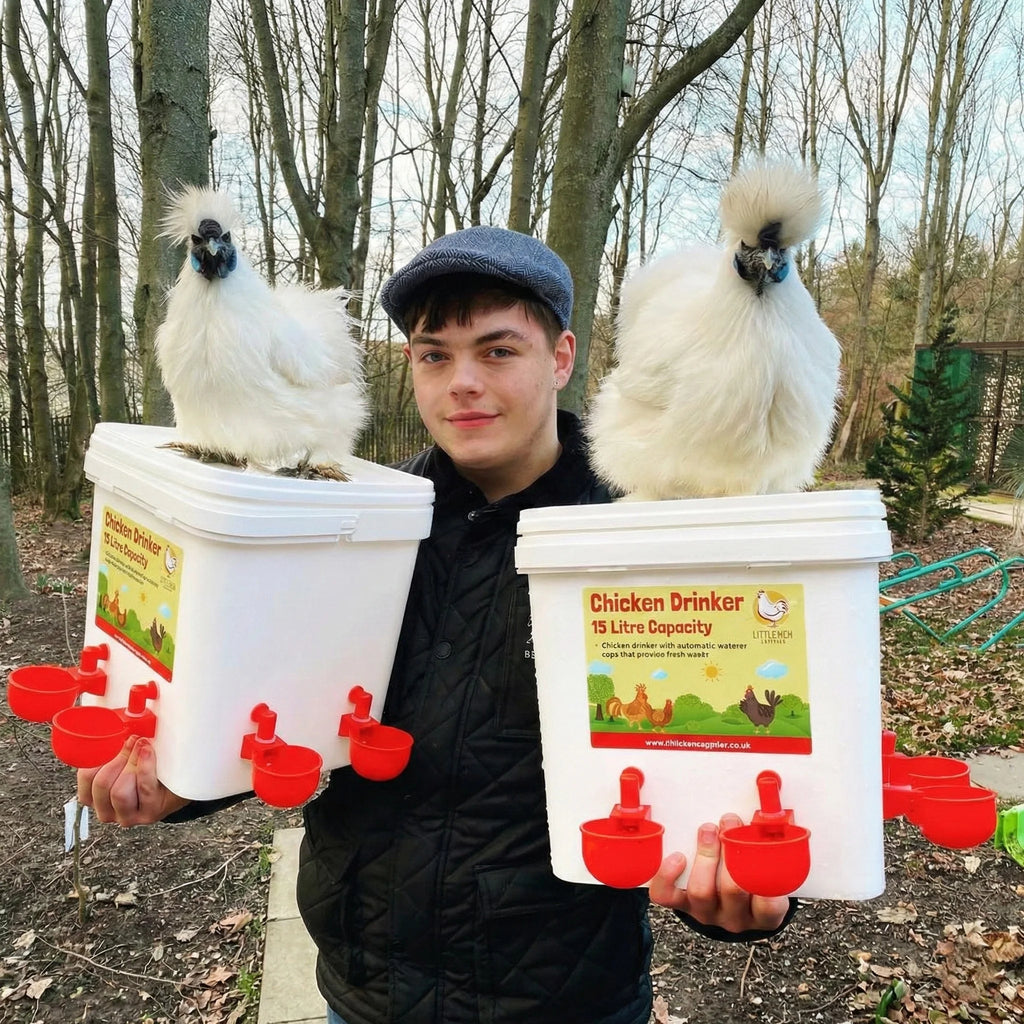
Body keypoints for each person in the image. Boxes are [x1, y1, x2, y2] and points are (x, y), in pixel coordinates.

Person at [78, 226, 796, 1024]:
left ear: (560, 359)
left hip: (561, 998)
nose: (462, 383)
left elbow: (728, 752)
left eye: (496, 351)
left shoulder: (641, 533)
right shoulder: (355, 522)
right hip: (365, 988)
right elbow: (277, 700)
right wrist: (181, 782)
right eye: (433, 355)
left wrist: (738, 887)